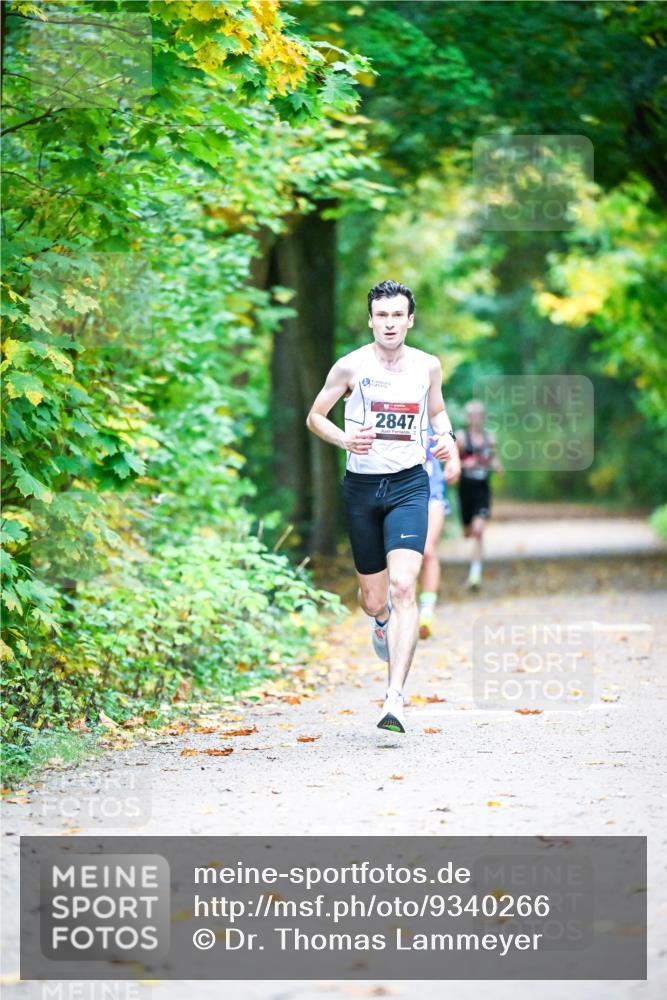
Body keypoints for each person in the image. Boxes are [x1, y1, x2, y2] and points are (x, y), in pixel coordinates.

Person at [306, 279, 457, 734]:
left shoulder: (427, 366)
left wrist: (447, 438)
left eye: (398, 315)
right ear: (371, 320)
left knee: (404, 586)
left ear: (410, 320)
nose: (390, 323)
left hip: (410, 485)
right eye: (382, 315)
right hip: (362, 489)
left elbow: (437, 412)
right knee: (375, 599)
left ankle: (394, 698)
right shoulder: (350, 367)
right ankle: (381, 623)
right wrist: (344, 438)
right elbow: (315, 416)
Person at [418, 424, 460, 639]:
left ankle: (426, 611)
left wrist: (454, 462)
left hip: (432, 494)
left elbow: (450, 437)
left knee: (427, 550)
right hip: (397, 494)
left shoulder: (432, 413)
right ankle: (393, 608)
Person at [455, 399, 503, 590]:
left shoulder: (489, 438)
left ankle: (475, 573)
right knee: (468, 532)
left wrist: (496, 465)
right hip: (465, 488)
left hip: (482, 487)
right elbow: (452, 461)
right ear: (468, 418)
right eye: (472, 415)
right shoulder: (460, 438)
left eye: (479, 415)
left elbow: (494, 459)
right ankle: (474, 568)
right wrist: (462, 465)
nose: (475, 419)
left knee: (478, 530)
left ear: (483, 418)